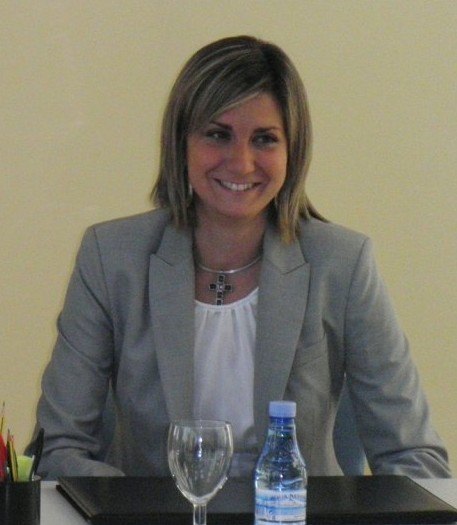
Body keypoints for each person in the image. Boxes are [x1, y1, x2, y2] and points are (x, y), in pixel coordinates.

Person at [29, 35, 451, 480]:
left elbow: (416, 458)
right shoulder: (111, 257)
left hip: (299, 511)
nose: (242, 162)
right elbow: (58, 449)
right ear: (181, 142)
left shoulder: (343, 264)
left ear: (292, 152)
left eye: (265, 139)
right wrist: (131, 506)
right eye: (218, 135)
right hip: (153, 512)